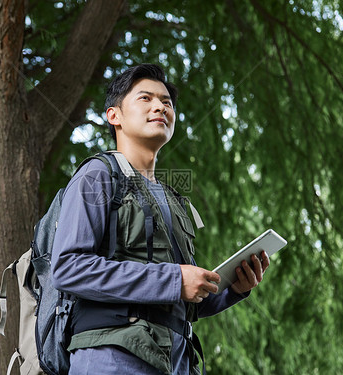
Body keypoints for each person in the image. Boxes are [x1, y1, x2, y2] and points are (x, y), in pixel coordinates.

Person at [51, 63, 269, 375]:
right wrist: (175, 279)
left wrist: (234, 288)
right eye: (145, 99)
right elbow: (68, 268)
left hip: (175, 363)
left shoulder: (174, 200)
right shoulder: (98, 176)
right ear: (115, 116)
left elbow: (183, 302)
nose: (159, 107)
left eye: (166, 102)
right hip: (112, 359)